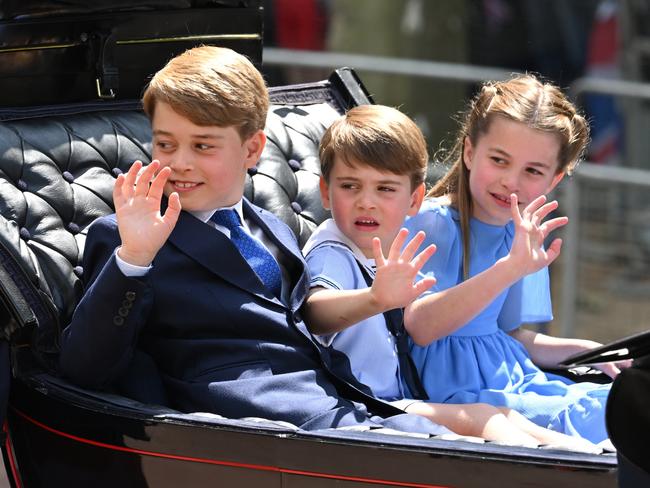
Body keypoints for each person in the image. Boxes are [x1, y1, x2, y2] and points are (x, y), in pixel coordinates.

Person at [57, 45, 456, 435]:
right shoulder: (127, 237)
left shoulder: (271, 227)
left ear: (252, 149)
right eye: (165, 144)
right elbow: (84, 368)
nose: (179, 161)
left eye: (202, 145)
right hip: (258, 427)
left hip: (345, 404)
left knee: (484, 447)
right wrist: (134, 258)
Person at [302, 103, 599, 450]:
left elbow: (507, 334)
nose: (367, 202)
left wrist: (590, 352)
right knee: (486, 417)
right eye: (350, 186)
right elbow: (314, 311)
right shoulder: (335, 248)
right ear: (325, 191)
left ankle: (592, 457)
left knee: (506, 417)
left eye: (384, 189)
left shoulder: (382, 247)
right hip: (370, 402)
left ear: (412, 199)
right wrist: (374, 299)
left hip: (406, 394)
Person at [403, 73, 627, 445]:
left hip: (518, 380)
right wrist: (510, 268)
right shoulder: (433, 223)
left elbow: (512, 337)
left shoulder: (521, 231)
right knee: (610, 418)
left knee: (613, 401)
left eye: (533, 171)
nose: (511, 181)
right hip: (465, 397)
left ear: (554, 180)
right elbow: (421, 328)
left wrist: (587, 351)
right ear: (470, 152)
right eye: (499, 160)